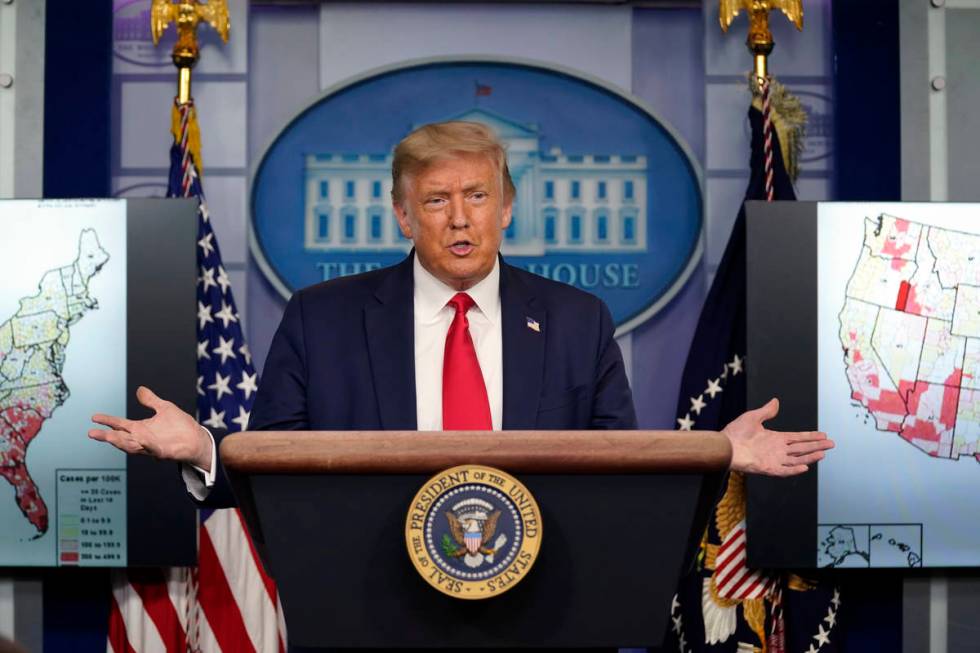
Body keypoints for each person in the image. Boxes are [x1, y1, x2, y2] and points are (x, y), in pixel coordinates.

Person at [89, 121, 833, 507]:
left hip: (546, 615)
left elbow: (620, 470)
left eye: (477, 196)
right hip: (370, 613)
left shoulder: (578, 320)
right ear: (402, 215)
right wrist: (202, 449)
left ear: (507, 206)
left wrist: (717, 453)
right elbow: (274, 473)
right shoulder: (323, 320)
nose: (460, 219)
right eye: (437, 201)